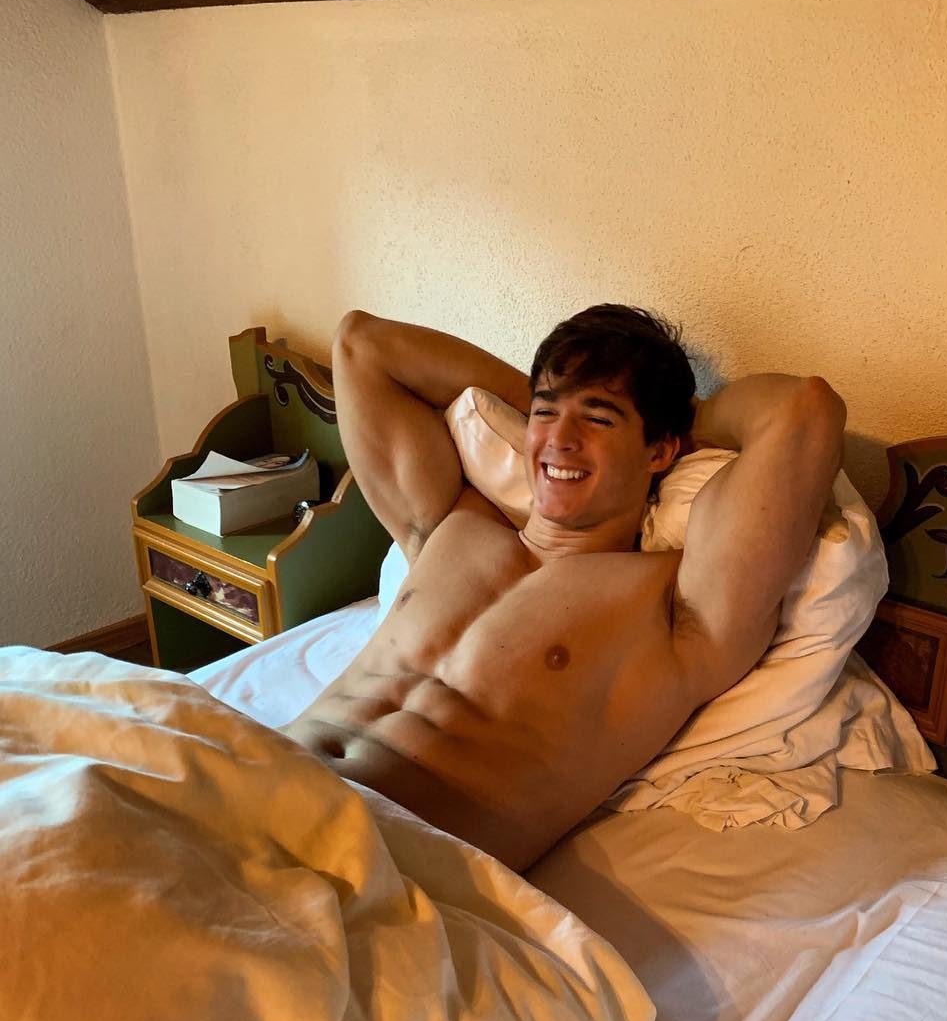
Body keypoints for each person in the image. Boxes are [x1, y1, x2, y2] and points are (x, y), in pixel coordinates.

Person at [282, 304, 845, 871]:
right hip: (267, 772)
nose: (560, 439)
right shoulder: (448, 520)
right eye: (544, 413)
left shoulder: (678, 609)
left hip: (378, 859)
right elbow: (361, 344)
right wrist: (552, 402)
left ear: (659, 450)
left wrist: (683, 419)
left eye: (599, 419)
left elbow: (805, 409)